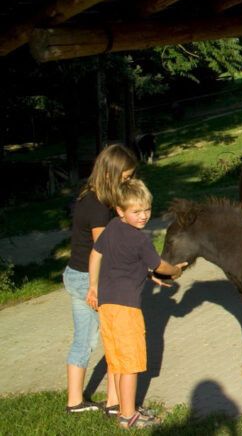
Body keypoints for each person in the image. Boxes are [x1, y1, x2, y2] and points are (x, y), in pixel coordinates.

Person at [86, 179, 186, 429]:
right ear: (121, 211)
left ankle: (121, 406)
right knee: (131, 362)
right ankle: (128, 415)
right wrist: (174, 271)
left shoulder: (112, 226)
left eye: (146, 210)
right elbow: (160, 265)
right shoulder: (141, 240)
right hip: (126, 308)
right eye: (136, 212)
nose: (143, 216)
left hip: (107, 305)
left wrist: (93, 285)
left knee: (118, 360)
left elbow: (97, 254)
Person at [63, 144, 137, 414]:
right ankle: (115, 403)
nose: (127, 182)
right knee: (113, 340)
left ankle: (75, 402)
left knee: (84, 339)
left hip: (75, 274)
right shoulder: (98, 207)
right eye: (125, 177)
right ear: (111, 173)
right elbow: (102, 249)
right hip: (89, 279)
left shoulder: (88, 196)